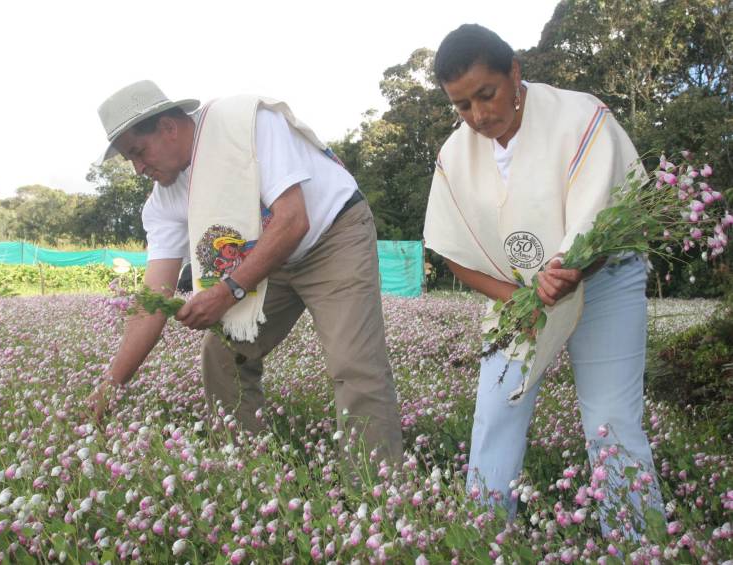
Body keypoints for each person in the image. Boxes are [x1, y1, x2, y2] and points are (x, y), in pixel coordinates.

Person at [423, 25, 664, 535]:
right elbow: (453, 252)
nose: (479, 116)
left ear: (514, 72)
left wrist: (571, 271)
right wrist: (522, 297)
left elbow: (608, 217)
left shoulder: (580, 117)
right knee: (495, 413)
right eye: (462, 106)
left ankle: (638, 543)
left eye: (486, 95)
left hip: (604, 279)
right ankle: (485, 539)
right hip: (521, 296)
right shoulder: (453, 155)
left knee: (610, 421)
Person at [89, 80, 403, 466]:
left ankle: (379, 495)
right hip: (269, 260)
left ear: (168, 127)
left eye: (138, 152)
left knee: (354, 364)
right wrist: (107, 389)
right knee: (223, 355)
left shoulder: (244, 123)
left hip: (331, 235)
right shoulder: (164, 201)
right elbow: (151, 304)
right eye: (129, 160)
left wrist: (226, 291)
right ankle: (252, 472)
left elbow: (292, 219)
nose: (138, 169)